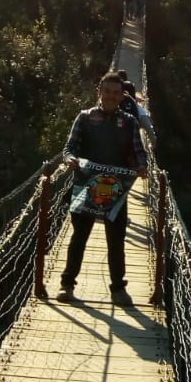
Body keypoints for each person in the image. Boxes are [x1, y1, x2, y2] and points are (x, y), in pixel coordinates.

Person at [58, 71, 147, 305]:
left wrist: (142, 166)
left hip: (116, 190)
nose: (110, 96)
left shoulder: (129, 122)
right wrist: (69, 160)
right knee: (79, 237)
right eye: (107, 91)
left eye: (116, 93)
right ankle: (67, 286)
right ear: (99, 91)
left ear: (122, 95)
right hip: (85, 186)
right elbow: (70, 147)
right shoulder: (84, 118)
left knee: (116, 240)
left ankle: (119, 289)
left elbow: (139, 151)